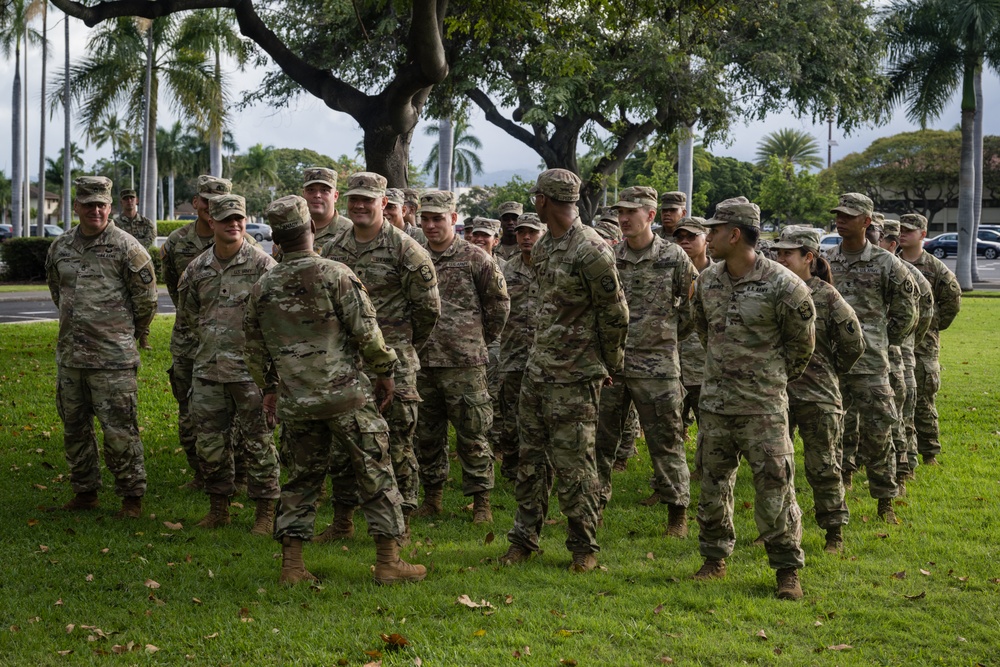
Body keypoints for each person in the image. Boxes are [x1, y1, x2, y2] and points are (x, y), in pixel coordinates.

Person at [243, 194, 426, 586]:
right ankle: (388, 562)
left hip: (298, 402)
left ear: (276, 238)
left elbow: (254, 351)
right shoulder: (336, 274)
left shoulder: (263, 286)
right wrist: (385, 373)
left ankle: (292, 566)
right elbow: (368, 334)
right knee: (375, 473)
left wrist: (270, 389)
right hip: (348, 397)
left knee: (300, 481)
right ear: (311, 229)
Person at [500, 169, 628, 573]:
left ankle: (583, 548)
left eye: (536, 197)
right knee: (530, 459)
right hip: (539, 370)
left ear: (542, 201)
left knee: (575, 464)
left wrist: (608, 364)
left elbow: (616, 314)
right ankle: (523, 540)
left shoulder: (590, 250)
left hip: (575, 375)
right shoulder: (544, 248)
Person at [691, 198, 814, 600]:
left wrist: (768, 379)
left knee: (775, 489)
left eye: (713, 230)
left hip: (762, 408)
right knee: (711, 487)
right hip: (715, 405)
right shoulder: (707, 281)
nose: (707, 236)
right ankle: (713, 558)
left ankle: (786, 571)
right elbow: (703, 330)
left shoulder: (784, 284)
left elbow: (801, 347)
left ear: (735, 234)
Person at [316, 172, 440, 544]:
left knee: (398, 442)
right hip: (348, 365)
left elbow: (428, 310)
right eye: (354, 199)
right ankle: (342, 521)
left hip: (395, 364)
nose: (359, 205)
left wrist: (400, 344)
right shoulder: (335, 249)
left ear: (383, 203)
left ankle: (399, 527)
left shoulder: (406, 250)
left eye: (367, 200)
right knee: (344, 446)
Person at [45, 176, 157, 518]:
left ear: (109, 207)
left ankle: (131, 497)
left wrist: (126, 333)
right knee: (74, 429)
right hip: (72, 358)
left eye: (101, 204)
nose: (95, 210)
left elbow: (146, 300)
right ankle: (85, 492)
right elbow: (57, 290)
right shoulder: (61, 246)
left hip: (113, 358)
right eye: (89, 204)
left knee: (119, 431)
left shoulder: (127, 247)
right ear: (76, 206)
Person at [594, 186, 696, 539]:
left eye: (631, 213)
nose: (623, 219)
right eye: (620, 213)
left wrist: (665, 336)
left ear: (650, 216)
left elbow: (692, 308)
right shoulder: (609, 257)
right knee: (600, 442)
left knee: (666, 441)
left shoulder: (674, 257)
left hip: (658, 368)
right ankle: (595, 509)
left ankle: (677, 513)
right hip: (613, 366)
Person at [178, 193, 281, 535]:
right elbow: (189, 317)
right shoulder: (198, 269)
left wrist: (273, 376)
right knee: (210, 444)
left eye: (239, 218)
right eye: (226, 219)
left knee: (259, 443)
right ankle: (218, 508)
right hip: (208, 370)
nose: (235, 224)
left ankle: (265, 513)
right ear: (212, 222)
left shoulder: (263, 266)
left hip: (251, 373)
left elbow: (278, 319)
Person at [412, 191, 510, 523]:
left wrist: (480, 340)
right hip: (423, 363)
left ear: (454, 219)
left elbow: (498, 305)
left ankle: (481, 502)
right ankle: (433, 497)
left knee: (473, 435)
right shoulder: (414, 256)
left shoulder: (475, 257)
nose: (430, 225)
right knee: (427, 435)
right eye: (425, 218)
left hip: (465, 363)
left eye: (437, 218)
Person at [773, 225, 865, 553]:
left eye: (787, 253)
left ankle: (834, 532)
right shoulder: (771, 289)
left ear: (808, 257)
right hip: (775, 395)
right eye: (777, 251)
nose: (779, 257)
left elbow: (853, 342)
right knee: (773, 468)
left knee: (823, 465)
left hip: (818, 396)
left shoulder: (826, 296)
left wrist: (831, 370)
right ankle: (776, 528)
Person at [827, 193, 918, 523]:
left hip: (871, 365)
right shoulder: (827, 261)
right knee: (834, 433)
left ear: (866, 221)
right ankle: (838, 492)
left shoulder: (885, 263)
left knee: (879, 434)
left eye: (849, 216)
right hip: (834, 365)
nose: (841, 220)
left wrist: (880, 340)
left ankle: (885, 501)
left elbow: (908, 312)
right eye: (838, 214)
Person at [161, 176, 256, 490]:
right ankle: (204, 473)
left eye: (224, 200)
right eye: (209, 200)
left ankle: (240, 475)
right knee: (191, 412)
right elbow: (178, 289)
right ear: (197, 203)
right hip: (190, 342)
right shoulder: (177, 242)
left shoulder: (249, 247)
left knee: (241, 415)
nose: (215, 206)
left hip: (233, 345)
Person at [897, 213, 962, 467]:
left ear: (923, 235)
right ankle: (902, 450)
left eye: (909, 230)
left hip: (924, 346)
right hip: (897, 344)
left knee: (923, 399)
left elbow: (952, 301)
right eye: (901, 229)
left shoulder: (935, 267)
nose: (903, 233)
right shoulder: (892, 263)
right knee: (898, 398)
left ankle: (929, 452)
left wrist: (933, 325)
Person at [880, 218, 933, 492]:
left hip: (901, 354)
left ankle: (905, 465)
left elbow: (924, 313)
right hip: (871, 357)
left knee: (902, 414)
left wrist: (904, 340)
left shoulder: (908, 273)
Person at [497, 212, 544, 482]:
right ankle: (511, 464)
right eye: (522, 232)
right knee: (511, 413)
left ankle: (538, 468)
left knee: (541, 413)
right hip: (513, 353)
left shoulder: (552, 267)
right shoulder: (505, 270)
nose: (526, 237)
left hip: (545, 355)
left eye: (532, 232)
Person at [673, 217, 711, 478]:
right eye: (680, 237)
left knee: (708, 425)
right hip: (672, 361)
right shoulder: (669, 271)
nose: (685, 242)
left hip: (704, 362)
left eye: (691, 236)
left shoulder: (718, 276)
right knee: (669, 426)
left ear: (706, 238)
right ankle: (669, 479)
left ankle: (704, 470)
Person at [273, 167, 352, 260]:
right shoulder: (289, 229)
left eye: (324, 190)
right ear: (304, 194)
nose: (317, 195)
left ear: (335, 196)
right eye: (311, 190)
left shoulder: (349, 231)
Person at [114, 188, 156, 349]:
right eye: (126, 199)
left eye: (131, 198)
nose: (129, 201)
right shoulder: (115, 224)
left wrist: (132, 251)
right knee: (123, 301)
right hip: (121, 268)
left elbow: (149, 240)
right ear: (122, 202)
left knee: (145, 301)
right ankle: (124, 337)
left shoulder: (146, 223)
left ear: (136, 200)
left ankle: (144, 339)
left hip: (143, 267)